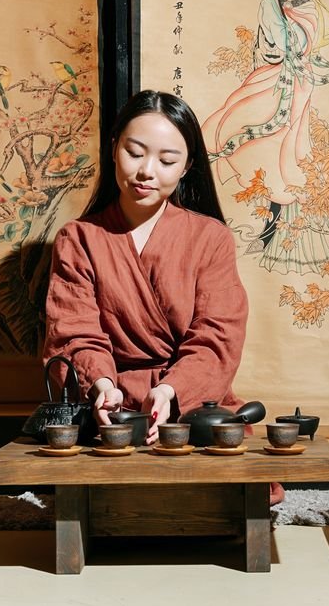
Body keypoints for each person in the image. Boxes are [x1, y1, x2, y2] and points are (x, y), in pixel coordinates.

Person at [42, 90, 284, 504]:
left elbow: (217, 337)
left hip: (188, 405)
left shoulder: (210, 238)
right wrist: (101, 385)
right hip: (111, 410)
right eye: (134, 153)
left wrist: (172, 391)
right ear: (114, 147)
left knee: (216, 496)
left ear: (188, 167)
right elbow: (74, 332)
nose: (146, 172)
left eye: (167, 161)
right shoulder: (78, 239)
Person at [202, 0, 329, 275]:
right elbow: (268, 46)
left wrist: (271, 12)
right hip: (273, 81)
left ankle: (279, 239)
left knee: (285, 160)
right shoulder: (277, 5)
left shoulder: (306, 10)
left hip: (291, 91)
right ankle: (262, 232)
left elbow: (288, 45)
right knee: (250, 143)